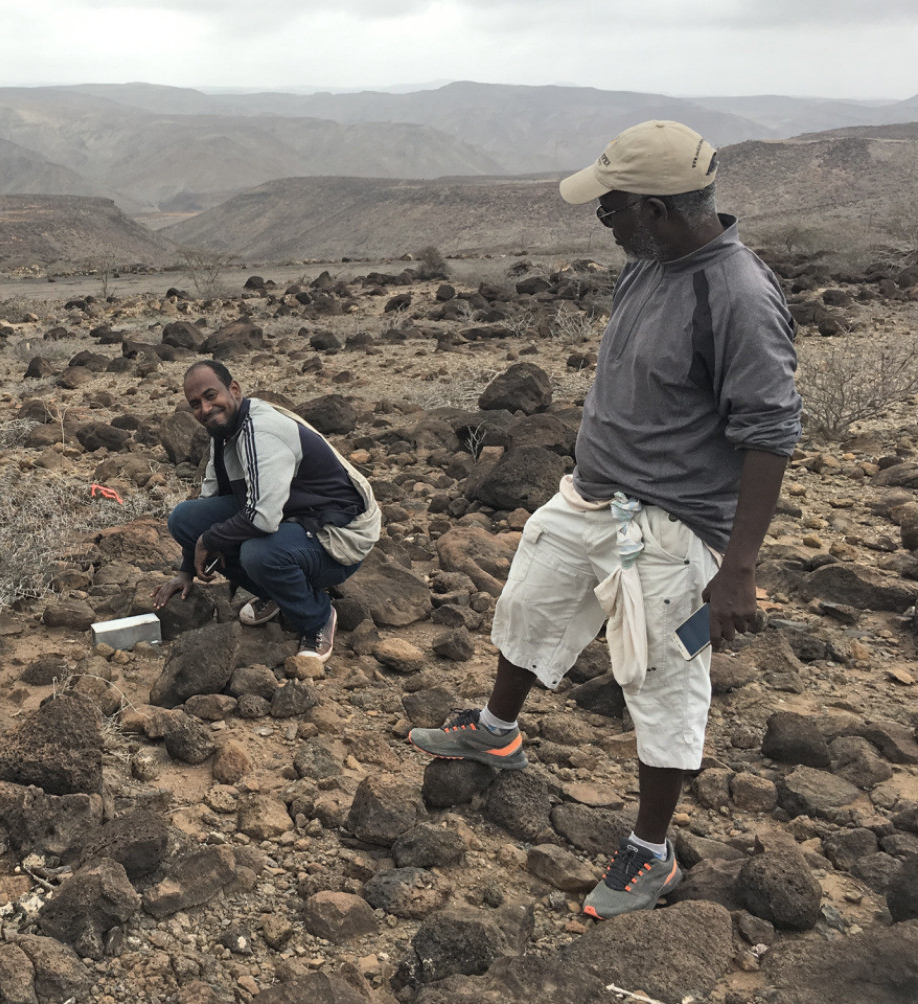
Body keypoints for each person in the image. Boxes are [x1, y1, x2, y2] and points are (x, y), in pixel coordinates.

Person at [409, 120, 802, 920]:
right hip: (590, 494)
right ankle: (496, 730)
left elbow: (769, 432)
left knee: (660, 681)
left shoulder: (736, 296)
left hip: (672, 526)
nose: (603, 222)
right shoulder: (648, 265)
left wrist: (737, 570)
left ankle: (651, 852)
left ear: (654, 209)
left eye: (610, 208)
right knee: (527, 605)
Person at [152, 360, 381, 662]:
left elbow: (263, 518)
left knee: (259, 554)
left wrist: (208, 541)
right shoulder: (224, 432)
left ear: (234, 390)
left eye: (211, 396)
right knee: (184, 519)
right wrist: (186, 571)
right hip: (293, 516)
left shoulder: (261, 431)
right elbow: (208, 500)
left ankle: (317, 616)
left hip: (338, 533)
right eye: (195, 404)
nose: (205, 409)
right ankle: (277, 593)